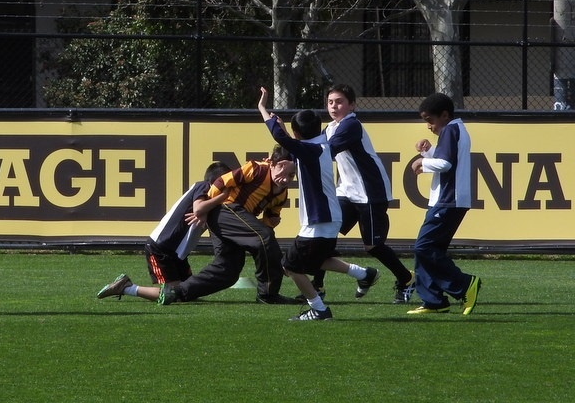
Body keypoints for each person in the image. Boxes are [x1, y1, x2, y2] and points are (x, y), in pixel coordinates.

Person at [257, 87, 380, 320]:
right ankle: (364, 274)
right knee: (319, 260)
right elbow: (290, 143)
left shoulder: (309, 149)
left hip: (319, 220)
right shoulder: (321, 144)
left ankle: (319, 308)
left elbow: (280, 138)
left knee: (290, 266)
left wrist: (263, 109)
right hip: (329, 219)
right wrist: (284, 129)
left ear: (297, 133)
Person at [310, 84, 415, 304]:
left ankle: (406, 279)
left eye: (339, 101)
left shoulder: (351, 125)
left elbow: (323, 151)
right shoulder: (329, 128)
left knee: (373, 246)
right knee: (323, 237)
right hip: (346, 192)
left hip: (370, 193)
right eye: (330, 102)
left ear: (352, 105)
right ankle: (316, 287)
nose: (333, 106)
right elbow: (314, 148)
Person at [159, 146, 299, 305]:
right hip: (226, 210)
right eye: (281, 169)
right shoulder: (256, 169)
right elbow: (221, 181)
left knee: (227, 271)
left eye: (291, 175)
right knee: (265, 238)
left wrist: (270, 222)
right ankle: (267, 294)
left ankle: (176, 291)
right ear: (272, 163)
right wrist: (206, 209)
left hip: (235, 220)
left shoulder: (282, 193)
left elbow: (271, 217)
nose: (286, 179)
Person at [95, 161, 232, 302]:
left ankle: (127, 286)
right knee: (173, 295)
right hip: (161, 248)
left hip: (176, 252)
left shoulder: (211, 200)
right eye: (227, 181)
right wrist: (221, 197)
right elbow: (198, 208)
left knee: (188, 292)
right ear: (217, 181)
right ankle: (126, 287)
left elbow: (201, 210)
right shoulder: (203, 186)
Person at [407, 92, 481, 315]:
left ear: (445, 115)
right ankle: (434, 301)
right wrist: (428, 151)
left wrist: (422, 161)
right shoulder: (454, 129)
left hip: (449, 200)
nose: (428, 126)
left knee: (424, 247)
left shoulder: (451, 129)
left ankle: (464, 284)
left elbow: (446, 163)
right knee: (428, 249)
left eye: (430, 120)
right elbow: (447, 159)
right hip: (448, 200)